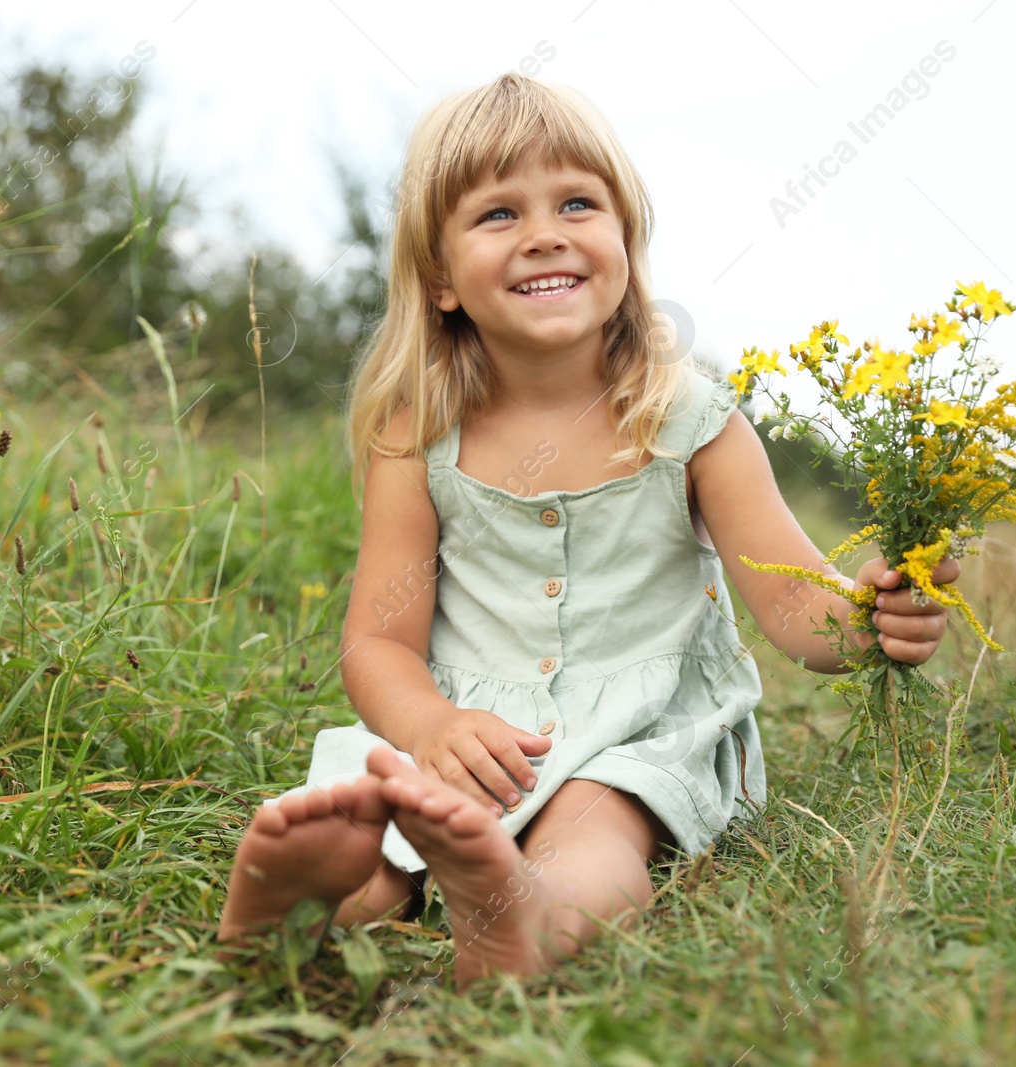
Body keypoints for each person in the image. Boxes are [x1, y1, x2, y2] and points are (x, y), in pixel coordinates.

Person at [217, 71, 959, 986]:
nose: (544, 235)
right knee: (382, 830)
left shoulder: (691, 424)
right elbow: (376, 641)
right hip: (471, 726)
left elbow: (799, 611)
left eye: (577, 202)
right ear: (441, 278)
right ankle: (309, 906)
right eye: (498, 215)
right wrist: (436, 725)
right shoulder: (416, 434)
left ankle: (522, 919)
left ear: (623, 240)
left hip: (636, 732)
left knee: (597, 829)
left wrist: (879, 611)